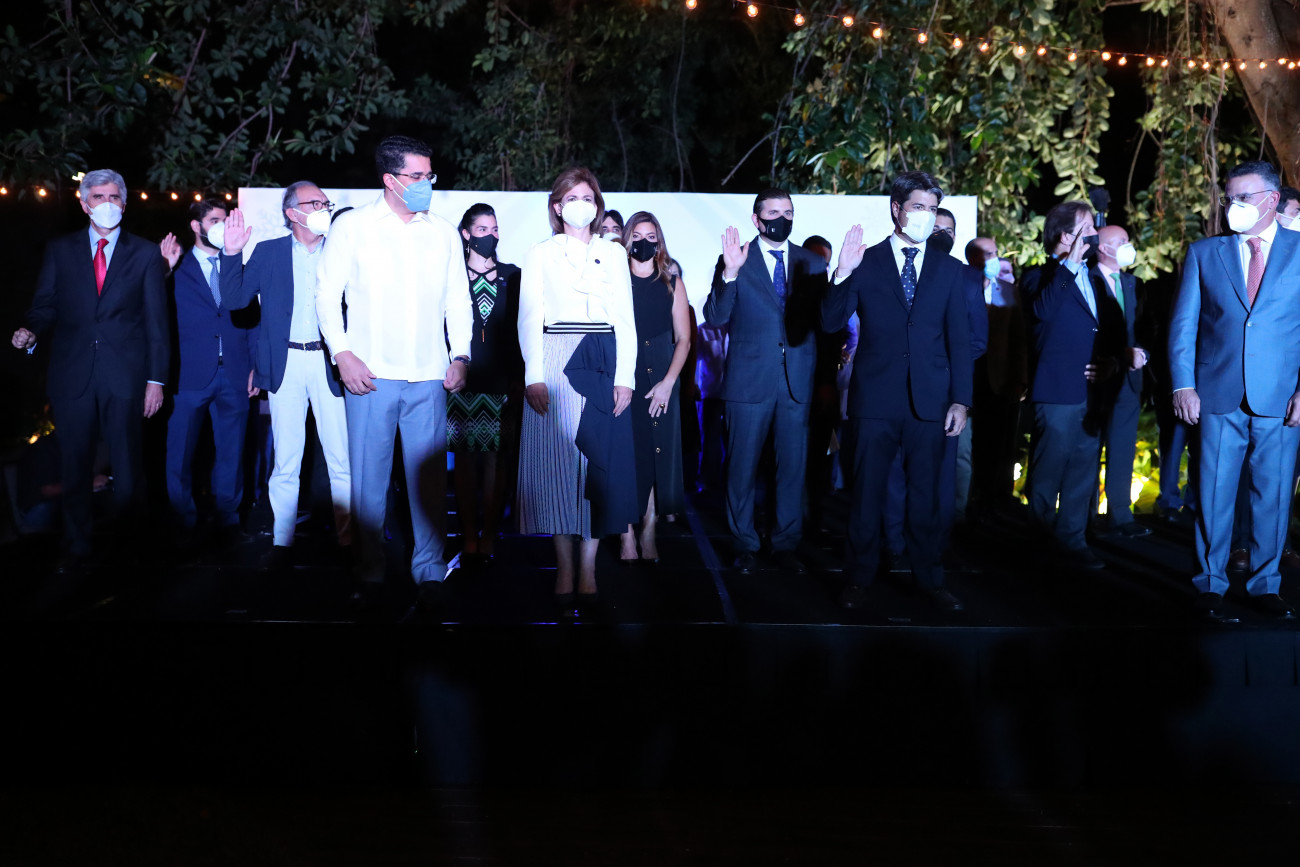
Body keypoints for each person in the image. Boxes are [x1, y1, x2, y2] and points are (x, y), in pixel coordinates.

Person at [315, 135, 474, 612]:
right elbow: (327, 294)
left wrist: (460, 355)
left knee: (430, 482)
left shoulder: (442, 232)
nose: (427, 183)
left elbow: (457, 299)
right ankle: (369, 570)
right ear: (390, 179)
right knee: (369, 482)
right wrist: (342, 354)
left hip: (429, 376)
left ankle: (429, 569)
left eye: (430, 175)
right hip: (369, 376)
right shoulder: (354, 227)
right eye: (418, 176)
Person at [825, 170, 973, 611]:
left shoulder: (950, 269)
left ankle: (930, 580)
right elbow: (831, 322)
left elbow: (959, 339)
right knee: (866, 496)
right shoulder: (867, 261)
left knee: (927, 498)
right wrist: (841, 272)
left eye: (932, 208)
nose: (926, 215)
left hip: (931, 401)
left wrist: (961, 399)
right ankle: (858, 579)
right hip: (875, 399)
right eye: (918, 207)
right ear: (897, 209)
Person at [11, 169, 169, 572]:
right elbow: (45, 304)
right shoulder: (61, 250)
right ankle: (77, 545)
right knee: (75, 462)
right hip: (73, 371)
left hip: (126, 374)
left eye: (114, 197)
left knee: (128, 465)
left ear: (125, 203)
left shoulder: (145, 253)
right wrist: (31, 331)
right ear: (84, 204)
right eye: (99, 197)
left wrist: (155, 380)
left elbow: (157, 323)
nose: (107, 204)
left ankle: (131, 548)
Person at [1170, 160, 1300, 621]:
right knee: (1213, 494)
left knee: (1274, 496)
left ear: (1271, 200)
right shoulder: (1206, 252)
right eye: (1229, 198)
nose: (1233, 206)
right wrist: (1183, 384)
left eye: (1243, 198)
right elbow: (1184, 326)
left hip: (1280, 398)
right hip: (1216, 392)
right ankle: (1210, 581)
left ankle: (1266, 584)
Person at [517, 167, 638, 614]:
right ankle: (564, 566)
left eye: (588, 197)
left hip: (603, 356)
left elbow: (625, 318)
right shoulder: (540, 252)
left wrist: (625, 377)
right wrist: (533, 375)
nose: (581, 205)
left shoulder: (613, 252)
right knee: (555, 465)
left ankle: (588, 567)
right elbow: (530, 316)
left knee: (595, 466)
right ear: (557, 206)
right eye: (572, 198)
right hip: (555, 356)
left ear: (598, 204)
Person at [219, 181, 353, 567]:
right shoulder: (269, 251)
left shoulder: (341, 249)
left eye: (326, 203)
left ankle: (349, 543)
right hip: (286, 364)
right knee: (286, 462)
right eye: (316, 203)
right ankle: (282, 542)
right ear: (293, 213)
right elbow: (235, 300)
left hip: (331, 363)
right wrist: (232, 253)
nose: (324, 208)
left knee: (341, 460)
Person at [703, 189, 828, 574]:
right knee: (741, 467)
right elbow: (715, 316)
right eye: (773, 212)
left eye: (788, 212)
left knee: (792, 467)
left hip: (796, 380)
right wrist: (730, 272)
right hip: (748, 380)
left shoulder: (811, 262)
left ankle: (785, 543)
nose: (782, 218)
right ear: (757, 220)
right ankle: (744, 542)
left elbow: (824, 321)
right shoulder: (737, 257)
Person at [1022, 201, 1126, 570]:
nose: (1095, 233)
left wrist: (1112, 362)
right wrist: (1069, 265)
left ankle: (1073, 540)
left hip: (1091, 394)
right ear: (1067, 236)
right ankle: (1038, 547)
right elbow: (1043, 311)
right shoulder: (1038, 276)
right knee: (1047, 474)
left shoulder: (1094, 279)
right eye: (1088, 227)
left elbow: (1106, 329)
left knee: (1083, 472)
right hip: (1056, 393)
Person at [156, 198, 259, 545]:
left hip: (235, 373)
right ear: (196, 226)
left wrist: (254, 367)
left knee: (232, 453)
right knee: (180, 454)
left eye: (225, 220)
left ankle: (228, 521)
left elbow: (252, 319)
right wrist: (164, 270)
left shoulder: (236, 264)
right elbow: (149, 309)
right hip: (187, 375)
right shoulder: (174, 267)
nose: (222, 226)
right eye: (215, 220)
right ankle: (183, 522)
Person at [449, 203, 522, 564]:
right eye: (482, 230)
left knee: (496, 459)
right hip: (462, 379)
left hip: (502, 379)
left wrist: (521, 378)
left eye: (494, 230)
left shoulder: (513, 275)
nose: (490, 236)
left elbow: (521, 332)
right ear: (466, 234)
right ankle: (468, 535)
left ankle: (490, 533)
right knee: (464, 460)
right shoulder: (452, 276)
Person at [618, 211, 690, 563]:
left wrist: (668, 383)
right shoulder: (614, 279)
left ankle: (648, 529)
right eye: (637, 236)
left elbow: (684, 339)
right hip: (621, 377)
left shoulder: (671, 282)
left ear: (659, 242)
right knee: (623, 456)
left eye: (651, 237)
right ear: (626, 239)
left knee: (653, 456)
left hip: (660, 376)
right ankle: (625, 534)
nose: (643, 243)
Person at [1092, 224, 1151, 537]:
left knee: (1123, 447)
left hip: (1130, 380)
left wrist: (1143, 354)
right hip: (1096, 377)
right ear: (1103, 248)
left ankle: (1120, 516)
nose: (1129, 245)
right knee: (1089, 448)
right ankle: (1085, 515)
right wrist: (1117, 356)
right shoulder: (1087, 279)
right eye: (1122, 241)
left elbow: (1147, 329)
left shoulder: (1134, 283)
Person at [965, 237, 1027, 513]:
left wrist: (1021, 379)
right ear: (972, 259)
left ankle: (999, 500)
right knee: (971, 445)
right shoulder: (959, 287)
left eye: (995, 252)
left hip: (1001, 379)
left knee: (1001, 442)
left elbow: (1019, 338)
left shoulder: (1009, 291)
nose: (993, 258)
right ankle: (970, 501)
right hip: (968, 379)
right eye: (986, 253)